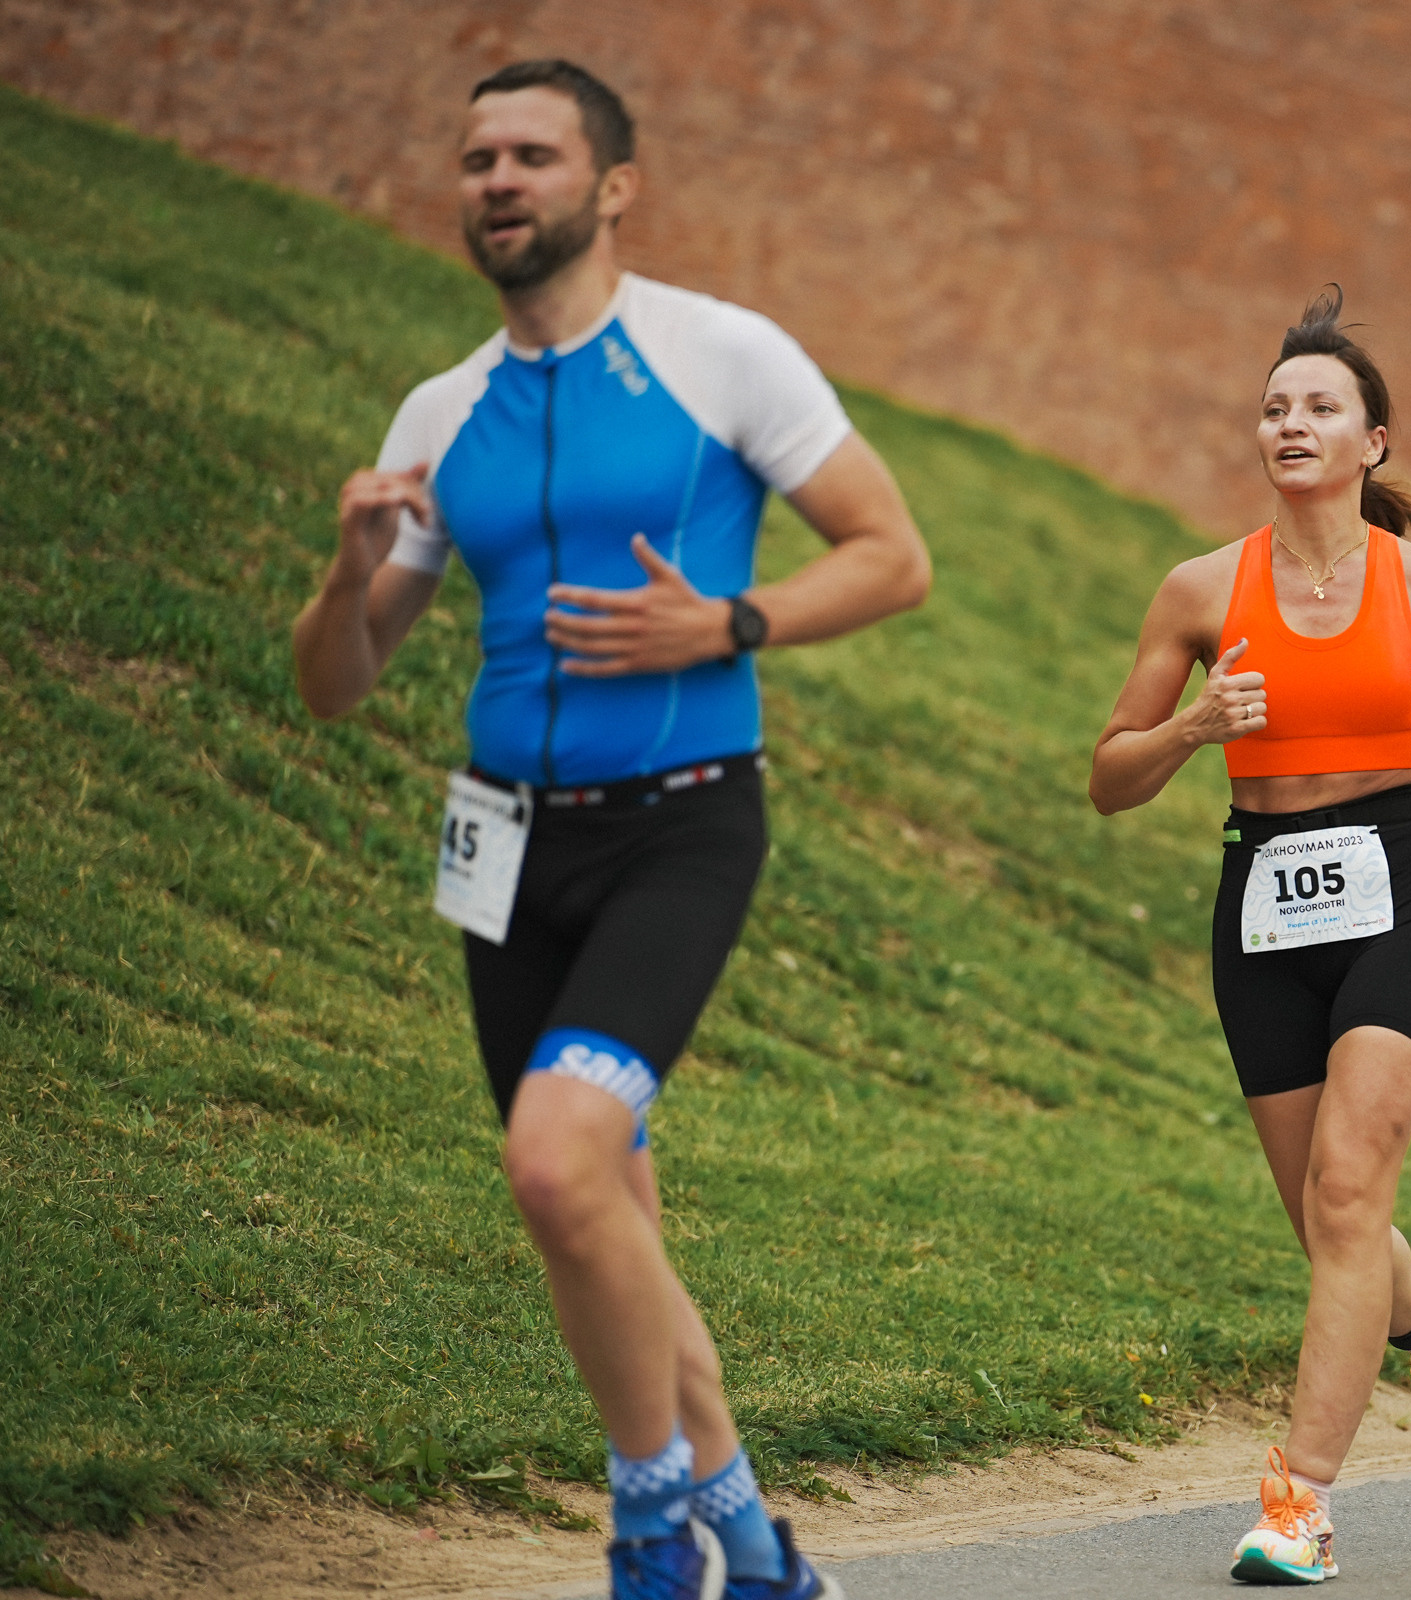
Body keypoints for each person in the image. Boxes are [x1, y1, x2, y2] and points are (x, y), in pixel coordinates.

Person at [292, 59, 928, 1600]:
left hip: (681, 828)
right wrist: (347, 564)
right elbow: (337, 683)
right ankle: (764, 1552)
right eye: (476, 158)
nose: (496, 180)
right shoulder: (445, 413)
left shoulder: (723, 356)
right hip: (506, 848)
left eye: (530, 155)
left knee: (557, 1161)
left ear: (612, 187)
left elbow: (893, 555)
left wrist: (730, 620)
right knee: (597, 1211)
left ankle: (656, 1528)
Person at [1089, 287, 1411, 1583]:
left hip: (1397, 888)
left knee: (1351, 1188)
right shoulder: (1198, 589)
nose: (1291, 423)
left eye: (1319, 406)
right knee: (1328, 1220)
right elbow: (1110, 777)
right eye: (1276, 407)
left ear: (1373, 442)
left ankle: (1300, 1505)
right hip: (1263, 902)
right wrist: (1191, 731)